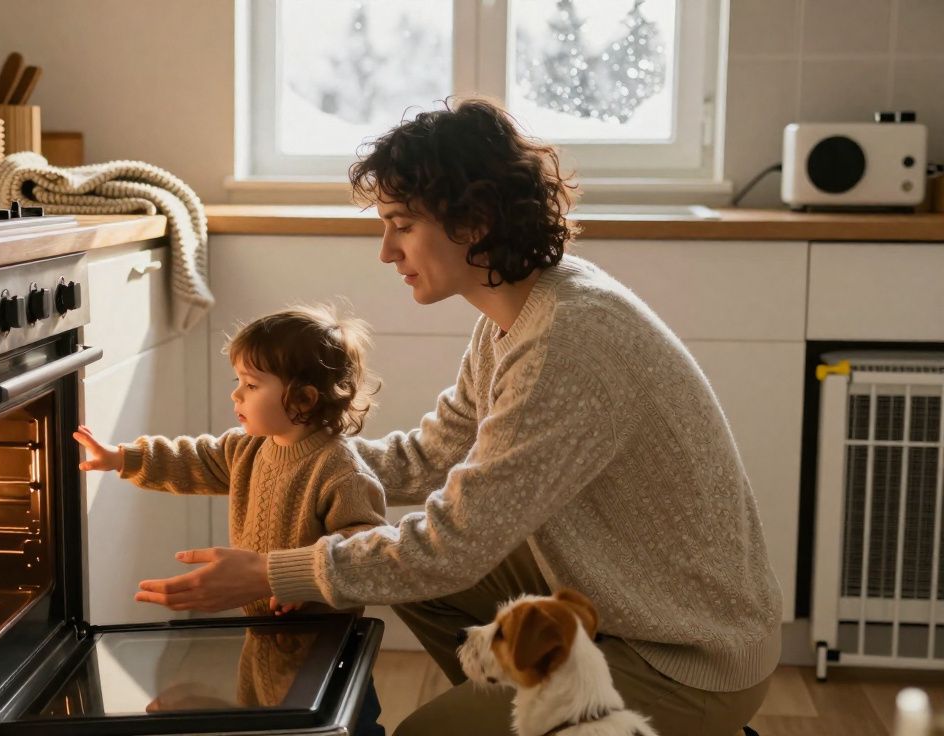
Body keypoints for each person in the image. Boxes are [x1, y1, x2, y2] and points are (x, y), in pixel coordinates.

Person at [129, 98, 783, 736]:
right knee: (414, 569)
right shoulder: (520, 315)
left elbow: (453, 543)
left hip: (687, 659)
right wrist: (290, 450)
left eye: (402, 223)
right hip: (623, 603)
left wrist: (274, 571)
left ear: (473, 220)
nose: (386, 250)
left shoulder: (566, 343)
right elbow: (426, 459)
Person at [74, 303, 388, 734]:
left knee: (341, 726)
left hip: (323, 649)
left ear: (303, 398)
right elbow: (195, 458)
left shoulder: (339, 470)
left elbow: (365, 540)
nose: (236, 394)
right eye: (237, 381)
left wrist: (304, 578)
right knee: (262, 721)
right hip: (259, 636)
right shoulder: (249, 449)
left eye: (251, 384)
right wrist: (123, 457)